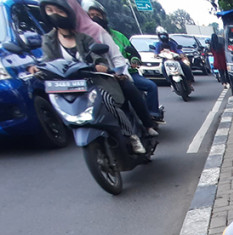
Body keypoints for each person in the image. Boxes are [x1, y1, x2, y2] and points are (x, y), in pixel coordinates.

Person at [33, 0, 151, 152]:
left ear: (70, 13)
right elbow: (47, 61)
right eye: (50, 10)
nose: (55, 15)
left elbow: (102, 57)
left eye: (59, 11)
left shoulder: (86, 36)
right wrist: (36, 69)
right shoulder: (48, 40)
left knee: (110, 99)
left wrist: (106, 67)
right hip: (68, 86)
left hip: (95, 80)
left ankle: (132, 135)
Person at [82, 0, 162, 123]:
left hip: (123, 74)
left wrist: (132, 62)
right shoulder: (82, 38)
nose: (94, 18)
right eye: (91, 15)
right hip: (96, 78)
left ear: (104, 17)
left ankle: (150, 118)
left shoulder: (118, 36)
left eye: (97, 15)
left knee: (150, 86)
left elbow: (132, 55)